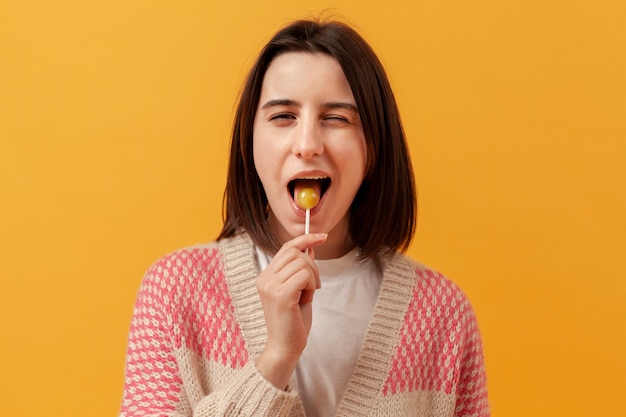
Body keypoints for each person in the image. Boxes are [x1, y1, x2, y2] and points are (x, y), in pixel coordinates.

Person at [119, 18, 489, 417]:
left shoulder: (444, 315)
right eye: (283, 116)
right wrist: (276, 358)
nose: (308, 145)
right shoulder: (175, 292)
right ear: (250, 140)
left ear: (375, 147)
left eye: (336, 118)